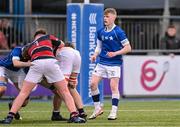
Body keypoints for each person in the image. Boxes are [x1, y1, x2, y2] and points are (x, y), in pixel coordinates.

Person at [0, 28, 85, 124]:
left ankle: (9, 117)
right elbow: (61, 44)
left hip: (35, 64)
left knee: (23, 93)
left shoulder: (29, 47)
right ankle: (74, 116)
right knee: (65, 91)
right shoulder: (48, 37)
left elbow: (29, 59)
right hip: (50, 62)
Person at [88, 8, 132, 120]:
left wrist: (115, 53)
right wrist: (95, 55)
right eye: (104, 16)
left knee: (113, 87)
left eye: (107, 16)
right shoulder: (100, 32)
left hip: (114, 63)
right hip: (102, 62)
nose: (105, 19)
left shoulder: (119, 32)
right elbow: (99, 47)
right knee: (92, 84)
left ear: (114, 17)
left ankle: (113, 112)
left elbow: (128, 48)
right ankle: (97, 108)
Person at [51, 42, 87, 121]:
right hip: (77, 56)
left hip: (67, 56)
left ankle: (74, 113)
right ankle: (82, 112)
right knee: (72, 87)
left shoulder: (61, 49)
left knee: (61, 88)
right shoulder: (75, 51)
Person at [0, 46, 33, 119]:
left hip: (17, 72)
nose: (26, 57)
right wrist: (29, 64)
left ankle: (12, 106)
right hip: (3, 68)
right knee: (2, 89)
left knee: (25, 99)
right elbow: (16, 63)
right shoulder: (17, 50)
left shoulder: (32, 55)